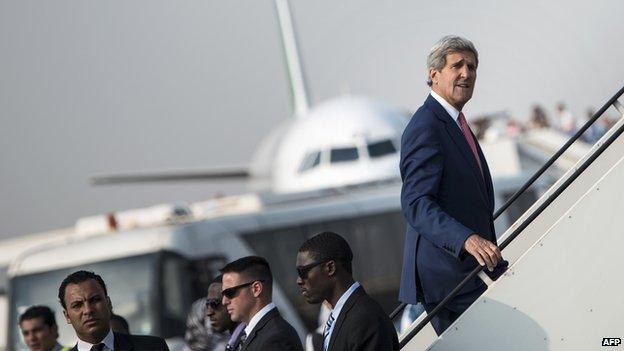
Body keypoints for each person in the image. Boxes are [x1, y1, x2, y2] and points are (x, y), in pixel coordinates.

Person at [399, 35, 507, 335]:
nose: (466, 73)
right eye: (457, 65)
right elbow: (416, 203)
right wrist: (466, 240)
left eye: (472, 67)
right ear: (434, 75)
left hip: (469, 271)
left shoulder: (454, 122)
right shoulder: (426, 126)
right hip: (449, 276)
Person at [296, 232, 399, 351]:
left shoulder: (365, 319)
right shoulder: (341, 317)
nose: (299, 280)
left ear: (330, 268)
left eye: (303, 272)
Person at [58, 270, 169, 351]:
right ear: (67, 316)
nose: (88, 310)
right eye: (77, 305)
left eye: (95, 300)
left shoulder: (152, 347)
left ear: (109, 303)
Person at [220, 256, 303, 351]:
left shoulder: (276, 338)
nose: (224, 301)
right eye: (222, 294)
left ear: (256, 289)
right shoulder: (247, 335)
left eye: (229, 292)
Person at [205, 275, 246, 351]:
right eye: (207, 304)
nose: (209, 312)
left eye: (215, 303)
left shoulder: (251, 341)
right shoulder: (235, 342)